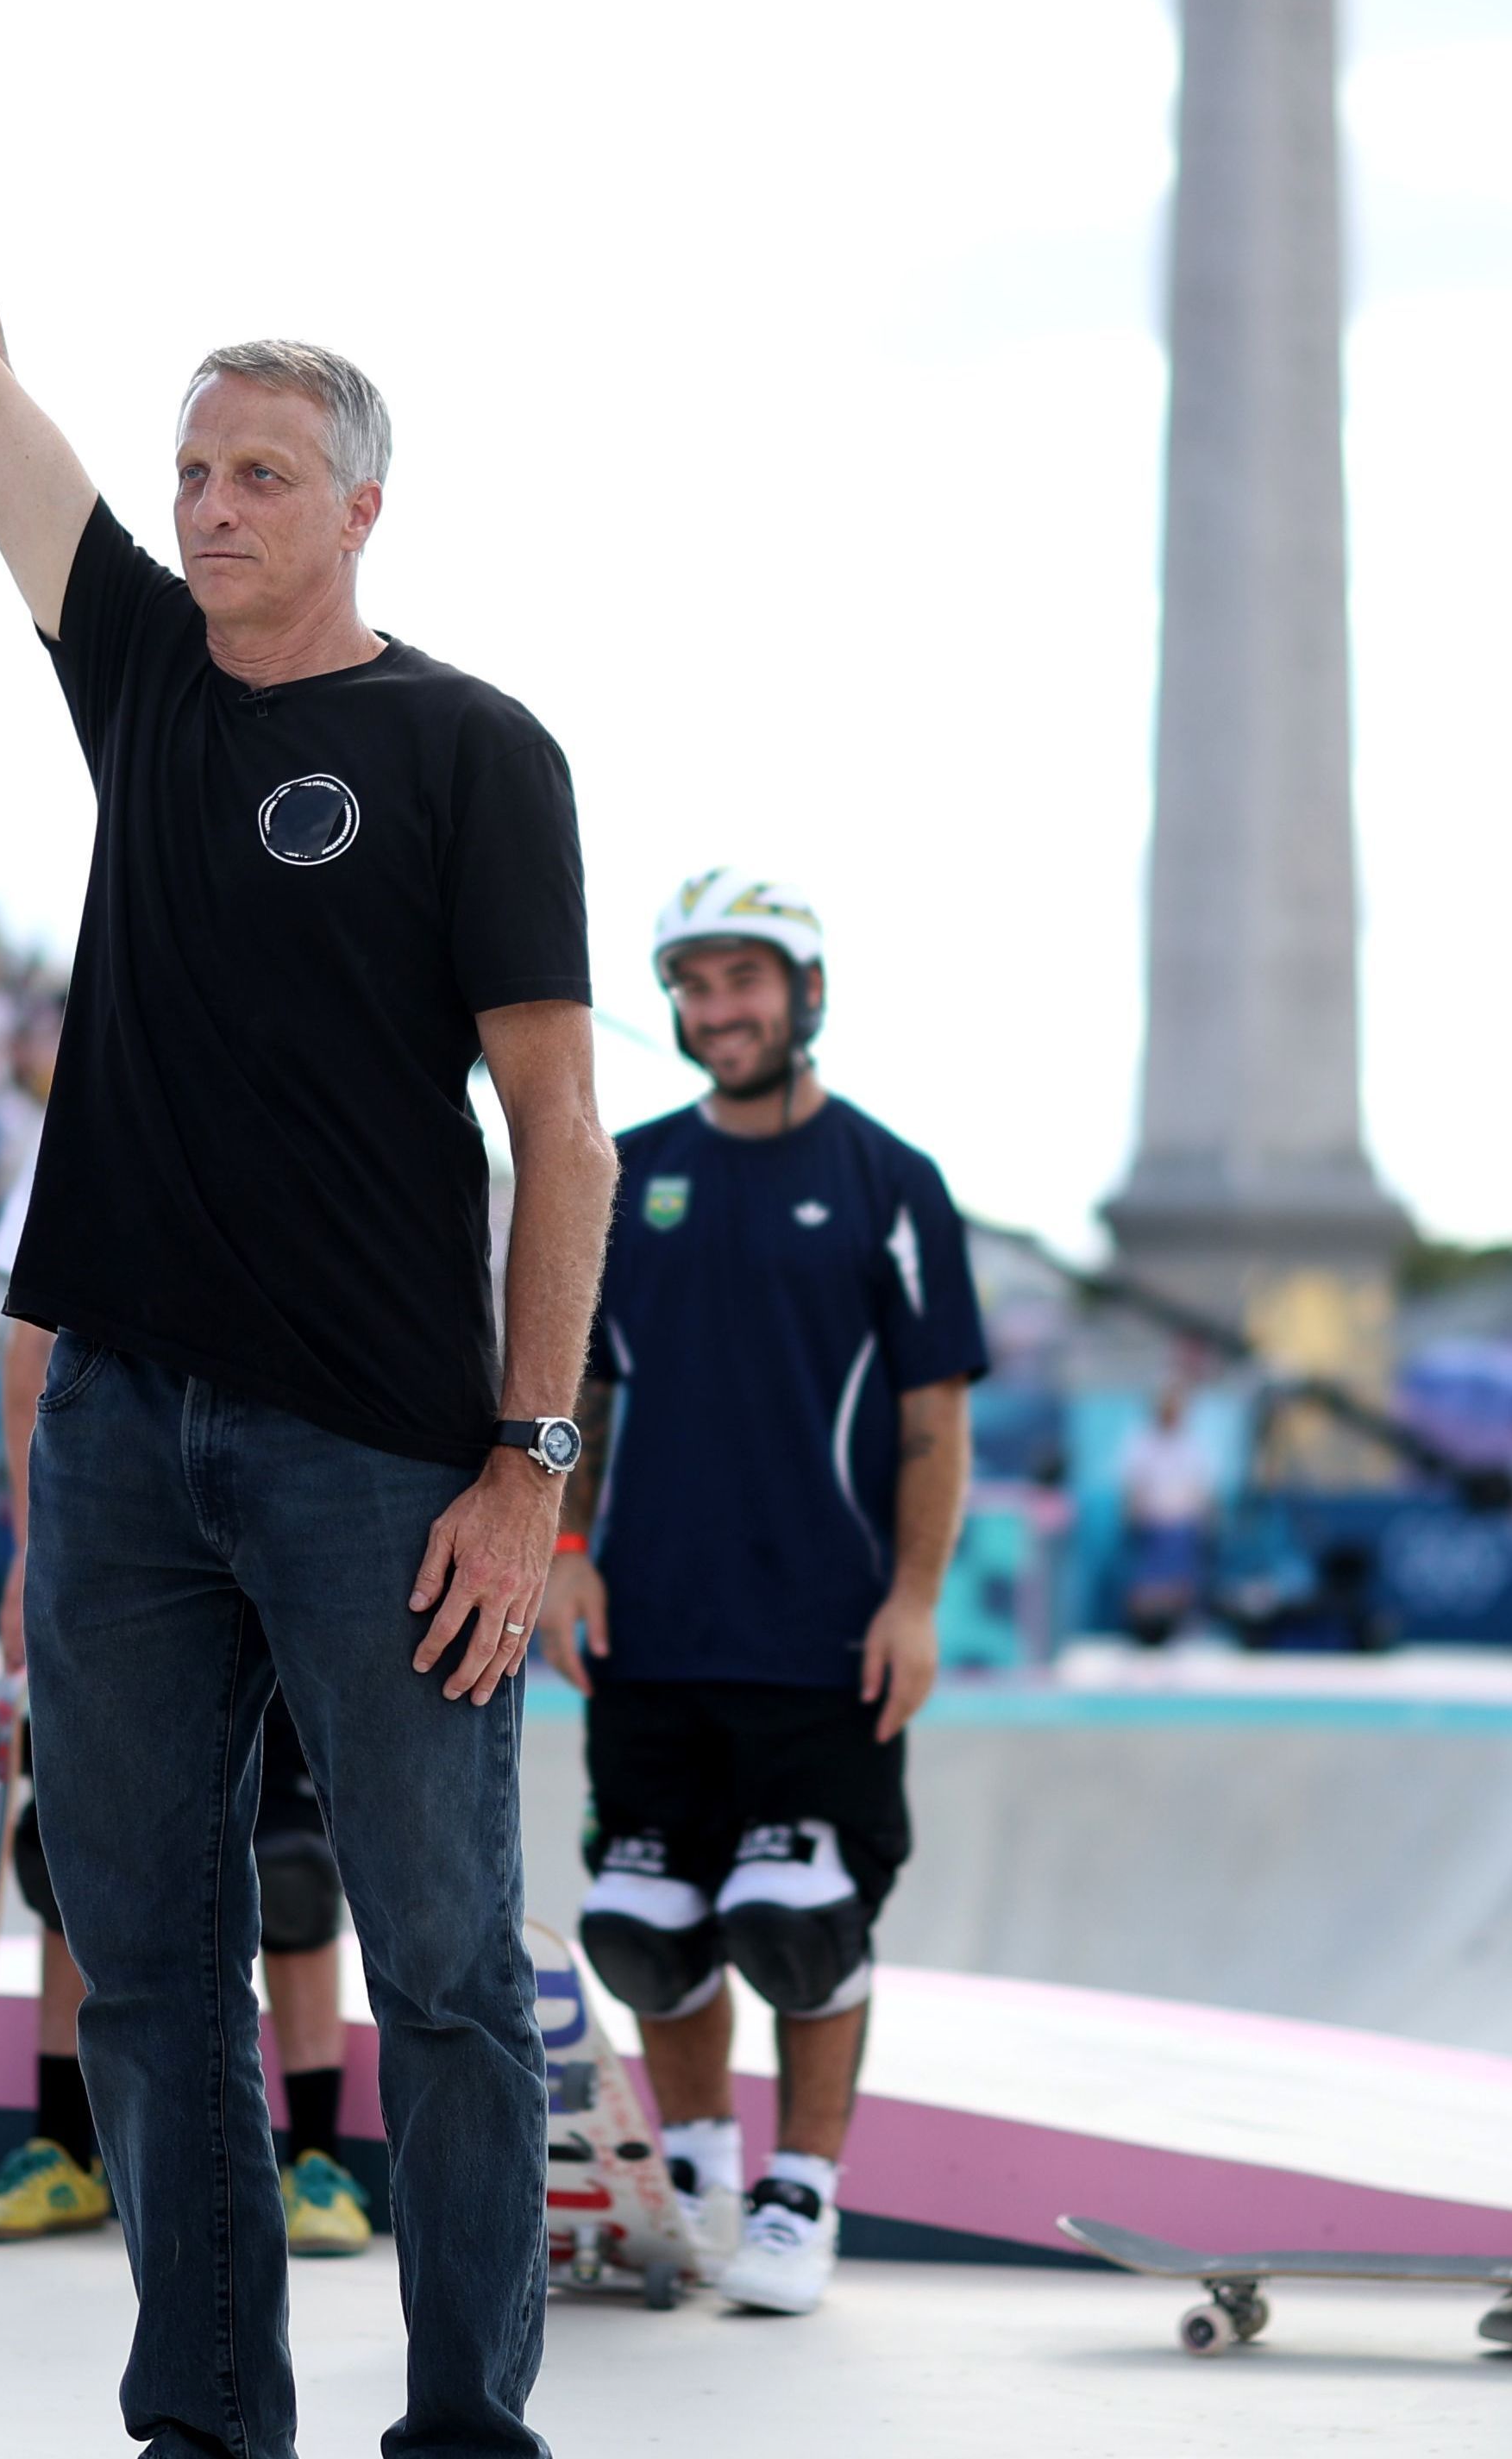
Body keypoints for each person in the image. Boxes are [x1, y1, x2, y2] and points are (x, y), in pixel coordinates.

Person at [0, 0, 613, 2459]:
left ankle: (465, 2423)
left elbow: (557, 1129)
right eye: (191, 467)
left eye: (262, 471)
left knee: (451, 1964)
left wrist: (527, 1461)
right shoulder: (135, 667)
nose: (211, 500)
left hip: (385, 1447)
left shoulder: (478, 749)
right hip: (123, 1426)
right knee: (142, 1956)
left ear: (363, 497)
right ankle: (206, 2419)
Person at [543, 871, 987, 2315]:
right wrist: (561, 1551)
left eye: (740, 980)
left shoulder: (888, 1182)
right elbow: (579, 1388)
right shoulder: (627, 1174)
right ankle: (690, 2176)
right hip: (652, 1631)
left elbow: (933, 1416)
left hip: (822, 1639)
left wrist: (915, 1597)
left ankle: (803, 2196)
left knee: (801, 1915)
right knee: (642, 1920)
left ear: (803, 992)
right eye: (691, 983)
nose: (713, 1010)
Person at [0, 1164, 382, 2262]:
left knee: (294, 1864)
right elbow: (31, 1349)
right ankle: (68, 2147)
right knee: (75, 1854)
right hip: (130, 1528)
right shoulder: (103, 1102)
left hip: (302, 1520)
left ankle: (313, 2155)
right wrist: (32, 1547)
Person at [1113, 1380, 1219, 1650]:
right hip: (1152, 1526)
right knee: (1150, 1581)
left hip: (1183, 1526)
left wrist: (1205, 1521)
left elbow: (1202, 1491)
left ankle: (1183, 1627)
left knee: (1184, 1573)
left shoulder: (1191, 1445)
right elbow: (1133, 1489)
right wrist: (1138, 1517)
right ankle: (1145, 1633)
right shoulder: (1141, 1443)